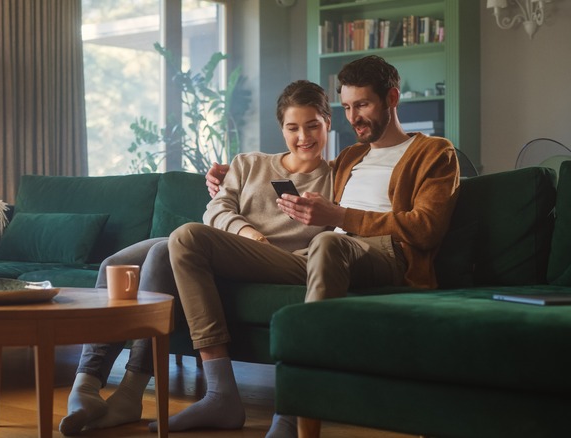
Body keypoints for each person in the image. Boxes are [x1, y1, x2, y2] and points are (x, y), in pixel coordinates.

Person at [169, 55, 460, 436]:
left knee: (327, 242)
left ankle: (292, 409)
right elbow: (301, 165)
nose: (354, 117)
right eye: (349, 106)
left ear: (392, 98)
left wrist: (339, 217)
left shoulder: (435, 152)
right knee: (187, 237)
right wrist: (226, 176)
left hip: (387, 256)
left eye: (364, 105)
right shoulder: (350, 158)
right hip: (320, 255)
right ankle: (221, 395)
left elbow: (426, 229)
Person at [58, 79, 335, 436]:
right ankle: (87, 384)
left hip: (272, 260)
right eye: (293, 127)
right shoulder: (249, 163)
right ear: (281, 128)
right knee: (117, 264)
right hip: (226, 243)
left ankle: (130, 392)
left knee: (170, 247)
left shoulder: (336, 178)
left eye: (313, 125)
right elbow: (216, 209)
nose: (303, 137)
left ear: (328, 122)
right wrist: (249, 233)